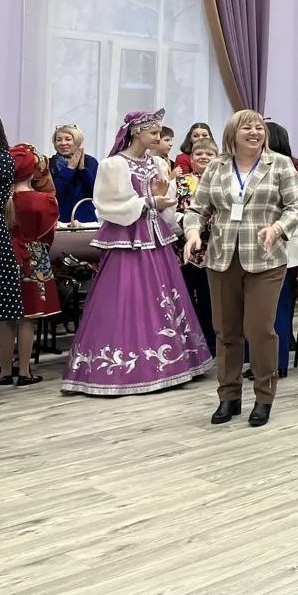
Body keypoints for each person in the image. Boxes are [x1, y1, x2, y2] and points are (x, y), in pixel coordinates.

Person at [62, 110, 212, 396]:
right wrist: (149, 201)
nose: (158, 137)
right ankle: (122, 366)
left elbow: (164, 202)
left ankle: (170, 362)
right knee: (125, 297)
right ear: (136, 132)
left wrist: (164, 201)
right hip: (127, 239)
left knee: (162, 297)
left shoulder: (157, 163)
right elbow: (106, 204)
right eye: (153, 133)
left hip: (156, 238)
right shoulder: (114, 164)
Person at [183, 110, 298, 427]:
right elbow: (198, 208)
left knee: (259, 330)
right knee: (226, 331)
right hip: (221, 258)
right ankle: (229, 396)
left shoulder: (281, 165)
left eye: (259, 127)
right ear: (232, 133)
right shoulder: (217, 166)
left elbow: (296, 206)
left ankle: (264, 397)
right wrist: (193, 232)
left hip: (265, 259)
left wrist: (277, 228)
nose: (255, 132)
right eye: (247, 127)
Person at [0, 144, 62, 386]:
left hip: (5, 257)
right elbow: (48, 236)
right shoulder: (44, 201)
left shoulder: (1, 199)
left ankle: (4, 371)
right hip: (33, 258)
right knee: (28, 317)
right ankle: (24, 371)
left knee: (6, 317)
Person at [260, 120, 298, 376]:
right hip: (260, 242)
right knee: (264, 306)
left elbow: (297, 202)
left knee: (277, 304)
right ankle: (263, 359)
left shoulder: (290, 165)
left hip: (280, 240)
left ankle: (276, 362)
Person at [175, 137, 219, 355]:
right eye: (199, 154)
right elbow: (170, 211)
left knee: (210, 301)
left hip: (214, 250)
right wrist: (186, 222)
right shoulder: (180, 182)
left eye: (209, 154)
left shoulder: (222, 182)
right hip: (184, 250)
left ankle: (211, 345)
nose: (204, 157)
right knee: (185, 299)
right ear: (191, 159)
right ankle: (187, 346)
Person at [0, 110, 18, 382]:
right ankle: (6, 368)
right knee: (2, 297)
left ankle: (6, 368)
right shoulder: (4, 158)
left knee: (1, 298)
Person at [50, 124, 99, 224]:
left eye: (68, 139)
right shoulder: (49, 164)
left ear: (77, 142)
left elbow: (96, 192)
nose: (63, 143)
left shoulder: (90, 162)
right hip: (60, 220)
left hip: (86, 219)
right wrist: (69, 168)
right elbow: (53, 192)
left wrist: (82, 169)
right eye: (59, 140)